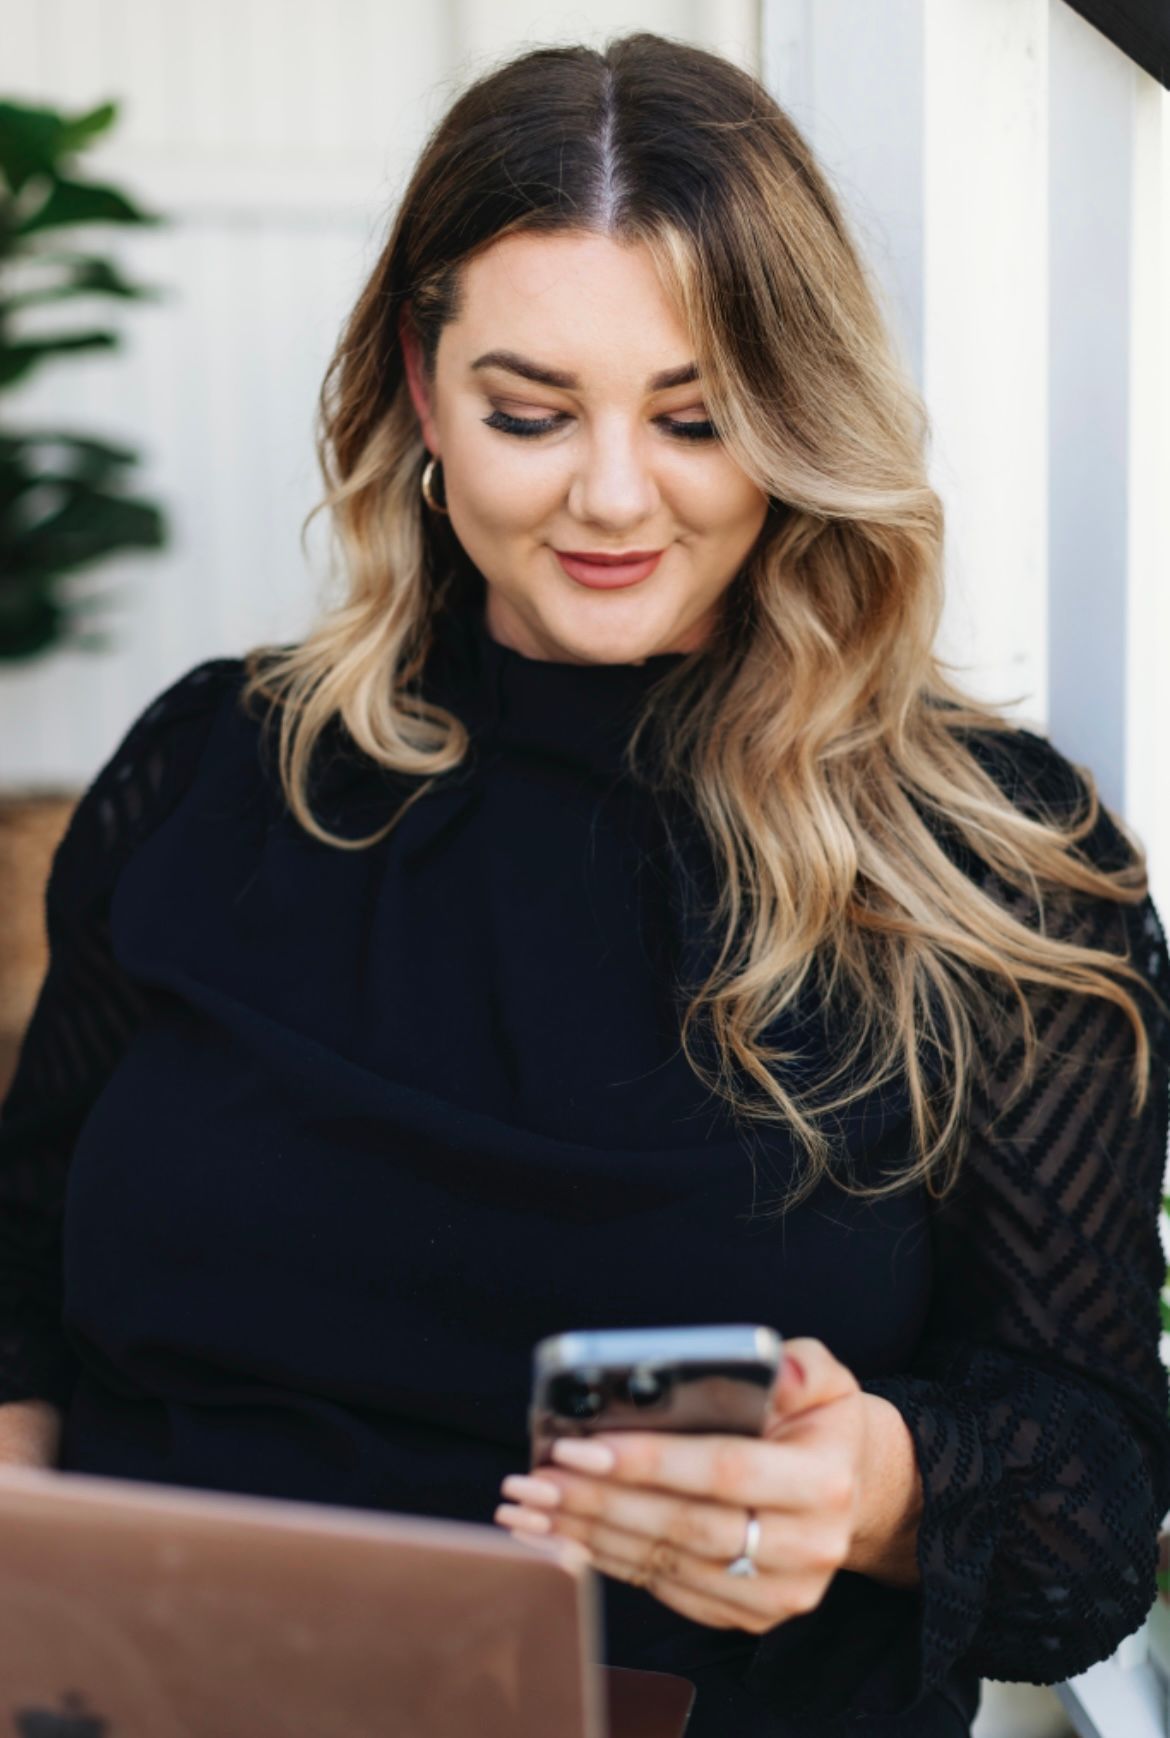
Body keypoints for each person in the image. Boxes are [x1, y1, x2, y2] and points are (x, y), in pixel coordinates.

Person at [1, 30, 1168, 1738]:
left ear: (799, 409)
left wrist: (876, 1490)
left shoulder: (994, 870)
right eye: (528, 411)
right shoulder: (210, 768)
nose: (610, 494)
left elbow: (1095, 1528)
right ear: (420, 388)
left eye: (696, 416)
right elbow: (26, 1283)